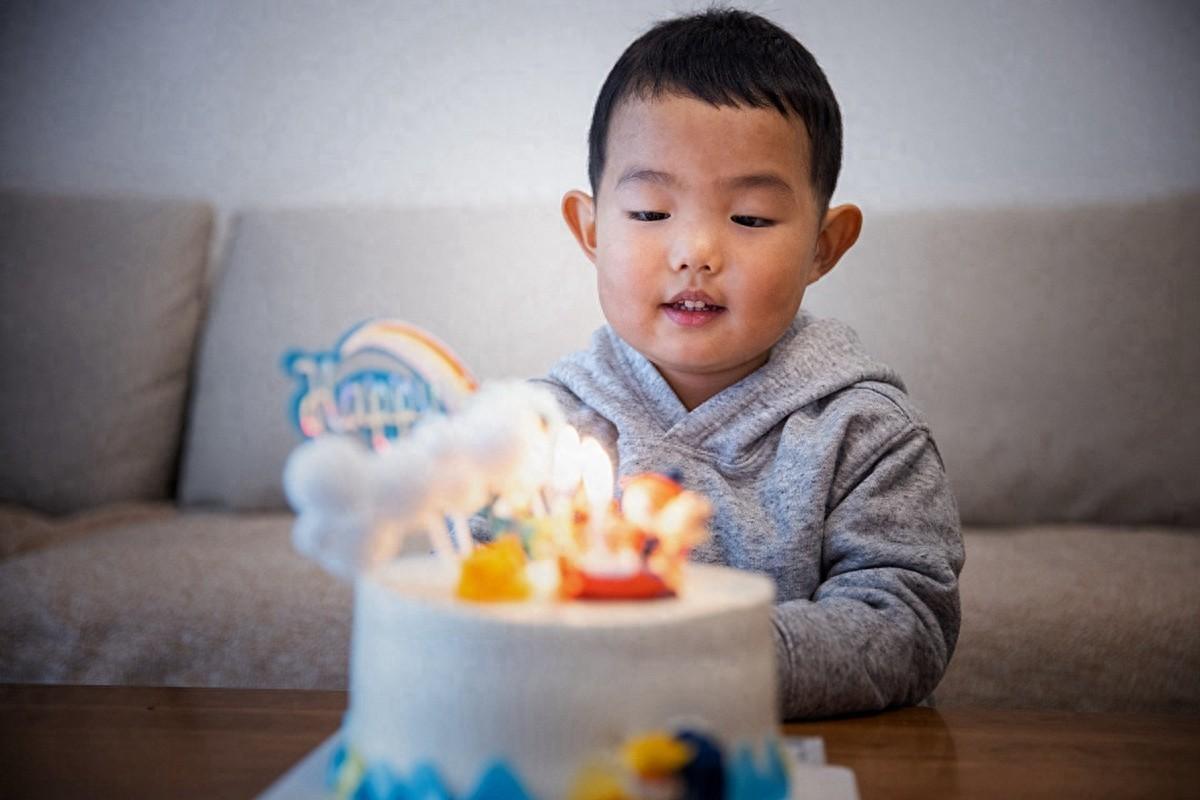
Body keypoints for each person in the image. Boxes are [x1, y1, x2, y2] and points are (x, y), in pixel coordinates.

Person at [536, 7, 965, 719]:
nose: (695, 252)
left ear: (824, 246)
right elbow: (471, 589)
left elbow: (906, 625)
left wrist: (704, 661)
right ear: (590, 229)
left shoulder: (866, 435)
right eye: (650, 213)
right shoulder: (540, 428)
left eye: (751, 219)